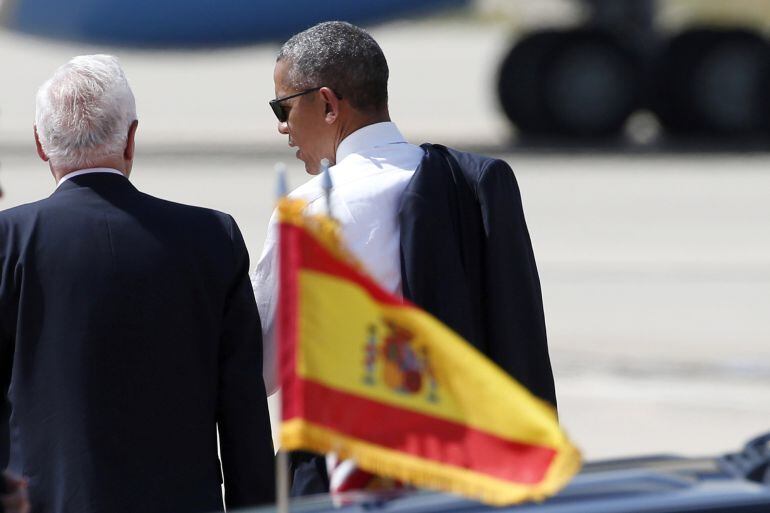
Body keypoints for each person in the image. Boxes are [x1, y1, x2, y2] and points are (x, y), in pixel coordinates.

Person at [252, 21, 555, 495]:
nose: (281, 126)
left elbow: (262, 369)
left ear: (329, 104)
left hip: (350, 479)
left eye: (283, 106)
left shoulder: (311, 211)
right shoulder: (469, 185)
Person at [0, 55, 275, 513]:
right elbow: (243, 411)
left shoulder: (8, 241)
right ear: (131, 140)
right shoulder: (212, 237)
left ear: (40, 144)